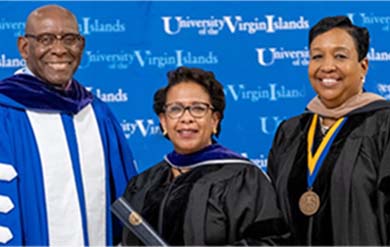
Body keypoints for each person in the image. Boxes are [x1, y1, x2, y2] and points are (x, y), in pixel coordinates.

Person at [0, 4, 137, 246]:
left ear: (81, 45)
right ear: (24, 47)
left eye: (69, 39)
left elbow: (126, 202)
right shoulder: (5, 114)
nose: (59, 49)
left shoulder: (97, 113)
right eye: (46, 39)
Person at [121, 66, 289, 246]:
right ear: (163, 121)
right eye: (175, 109)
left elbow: (270, 242)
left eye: (198, 108)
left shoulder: (244, 179)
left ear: (214, 120)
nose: (186, 118)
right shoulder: (144, 184)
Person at [267, 15, 390, 245]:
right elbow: (275, 220)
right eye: (317, 56)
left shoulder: (384, 126)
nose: (327, 66)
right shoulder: (291, 131)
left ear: (363, 66)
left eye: (340, 56)